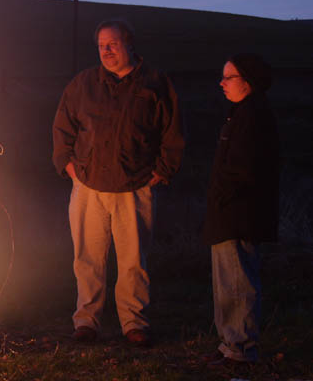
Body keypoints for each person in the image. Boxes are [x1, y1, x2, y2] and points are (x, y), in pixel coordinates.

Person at [52, 20, 184, 345]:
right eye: (101, 45)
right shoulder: (84, 83)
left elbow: (173, 132)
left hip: (134, 186)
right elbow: (62, 127)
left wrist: (162, 170)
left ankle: (133, 323)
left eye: (112, 44)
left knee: (134, 261)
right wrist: (68, 165)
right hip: (89, 185)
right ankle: (87, 321)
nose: (106, 51)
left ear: (129, 44)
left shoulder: (155, 83)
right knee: (87, 258)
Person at [203, 53, 279, 365]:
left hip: (238, 214)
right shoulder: (242, 113)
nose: (222, 82)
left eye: (229, 77)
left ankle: (241, 347)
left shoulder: (253, 116)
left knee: (237, 282)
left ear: (247, 81)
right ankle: (231, 344)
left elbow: (244, 169)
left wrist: (223, 196)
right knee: (228, 282)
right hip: (229, 213)